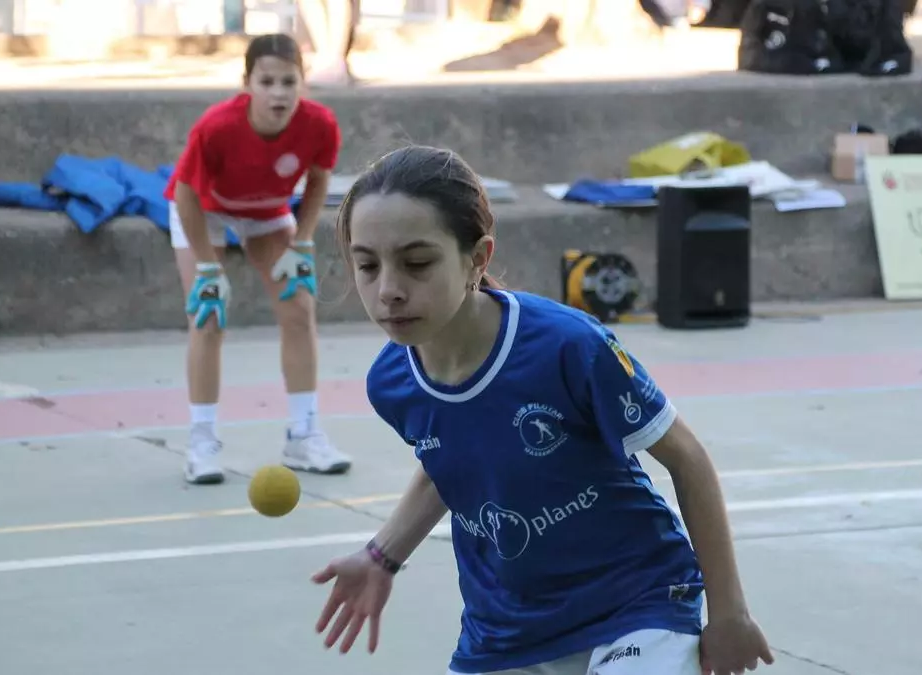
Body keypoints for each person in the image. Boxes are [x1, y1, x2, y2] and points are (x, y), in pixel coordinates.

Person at [311, 145, 774, 675]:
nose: (389, 290)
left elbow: (688, 459)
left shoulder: (568, 346)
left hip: (635, 604)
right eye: (367, 265)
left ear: (477, 259)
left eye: (417, 263)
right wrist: (381, 556)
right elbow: (455, 461)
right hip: (505, 631)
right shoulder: (392, 383)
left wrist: (729, 613)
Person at [164, 33, 351, 485]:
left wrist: (302, 243)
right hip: (204, 210)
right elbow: (186, 194)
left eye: (289, 81)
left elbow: (318, 182)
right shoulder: (216, 127)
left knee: (299, 308)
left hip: (267, 211)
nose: (278, 93)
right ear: (246, 83)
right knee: (208, 315)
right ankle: (202, 442)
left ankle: (303, 435)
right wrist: (208, 267)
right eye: (267, 82)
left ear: (303, 82)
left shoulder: (320, 124)